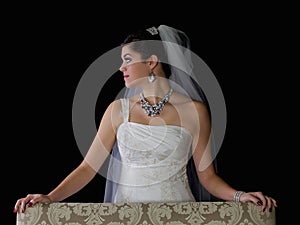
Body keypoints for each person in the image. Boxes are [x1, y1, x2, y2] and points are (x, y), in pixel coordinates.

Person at [14, 25, 277, 214]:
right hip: (125, 214)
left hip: (178, 213)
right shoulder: (118, 110)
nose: (121, 68)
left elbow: (207, 177)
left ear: (152, 61)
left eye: (128, 60)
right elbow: (87, 168)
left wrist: (240, 196)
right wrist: (50, 197)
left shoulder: (195, 111)